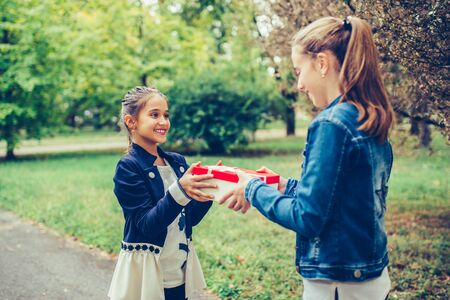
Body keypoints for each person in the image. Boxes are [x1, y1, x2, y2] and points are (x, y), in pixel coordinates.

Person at [219, 16, 395, 300]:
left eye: (299, 71)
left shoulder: (331, 124)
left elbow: (308, 217)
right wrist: (284, 186)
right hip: (369, 278)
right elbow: (342, 198)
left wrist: (252, 189)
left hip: (337, 283)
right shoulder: (368, 116)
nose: (299, 84)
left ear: (322, 63)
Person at [108, 86, 216, 300]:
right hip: (147, 274)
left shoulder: (176, 162)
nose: (163, 122)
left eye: (166, 115)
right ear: (132, 122)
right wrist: (181, 190)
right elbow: (147, 225)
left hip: (179, 271)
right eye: (154, 115)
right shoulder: (128, 167)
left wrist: (206, 191)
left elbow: (190, 219)